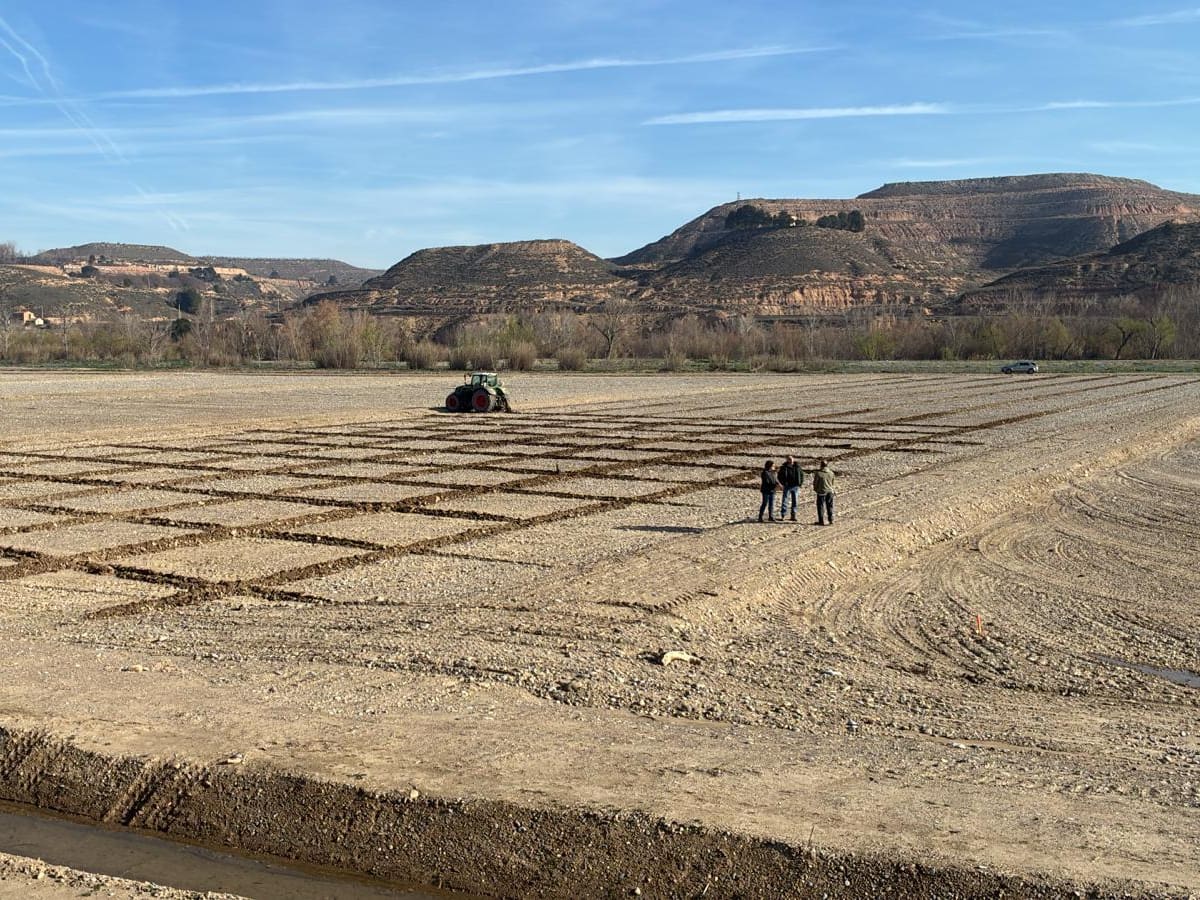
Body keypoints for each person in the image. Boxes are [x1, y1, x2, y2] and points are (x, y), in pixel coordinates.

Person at [777, 455, 803, 521]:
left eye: (791, 458)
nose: (790, 460)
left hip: (795, 486)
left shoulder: (797, 467)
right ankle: (783, 515)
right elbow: (779, 476)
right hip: (787, 486)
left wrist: (800, 483)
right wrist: (782, 483)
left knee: (795, 501)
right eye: (789, 459)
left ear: (793, 459)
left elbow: (802, 475)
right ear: (787, 460)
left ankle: (793, 515)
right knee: (785, 501)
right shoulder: (783, 467)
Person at [813, 458, 835, 525]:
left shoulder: (818, 473)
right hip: (830, 491)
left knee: (820, 506)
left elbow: (815, 483)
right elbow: (832, 482)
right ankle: (831, 520)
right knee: (830, 506)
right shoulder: (831, 473)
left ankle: (821, 521)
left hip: (821, 492)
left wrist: (816, 489)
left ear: (821, 465)